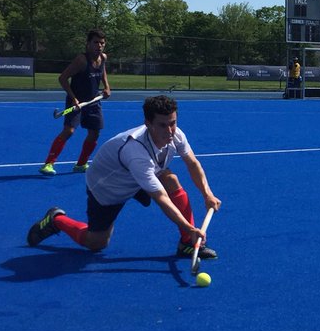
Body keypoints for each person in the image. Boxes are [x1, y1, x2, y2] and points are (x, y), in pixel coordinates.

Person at [27, 94, 221, 260]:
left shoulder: (175, 134)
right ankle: (56, 219)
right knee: (96, 243)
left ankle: (187, 244)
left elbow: (193, 163)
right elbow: (160, 197)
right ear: (148, 123)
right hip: (109, 187)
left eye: (173, 123)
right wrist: (189, 227)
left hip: (139, 176)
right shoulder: (136, 152)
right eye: (163, 125)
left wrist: (207, 194)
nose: (170, 131)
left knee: (171, 180)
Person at [40, 29, 111, 175]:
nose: (99, 45)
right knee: (69, 131)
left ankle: (81, 164)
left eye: (102, 43)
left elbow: (103, 71)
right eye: (95, 42)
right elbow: (62, 78)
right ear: (88, 44)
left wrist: (107, 87)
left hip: (93, 101)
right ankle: (48, 164)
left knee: (95, 133)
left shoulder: (103, 58)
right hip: (76, 101)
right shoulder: (81, 60)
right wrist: (73, 98)